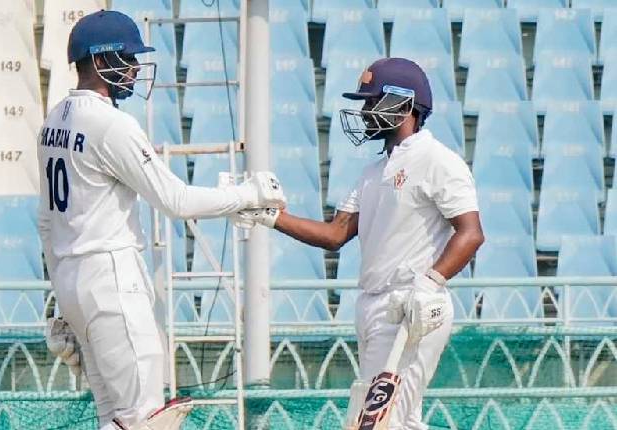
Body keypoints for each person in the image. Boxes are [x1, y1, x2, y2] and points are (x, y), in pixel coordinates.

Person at [37, 10, 286, 430]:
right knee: (144, 419)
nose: (135, 68)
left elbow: (46, 222)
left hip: (72, 278)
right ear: (100, 59)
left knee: (114, 417)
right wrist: (250, 193)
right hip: (111, 280)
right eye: (128, 58)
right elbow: (176, 200)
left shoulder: (53, 120)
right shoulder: (111, 124)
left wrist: (64, 295)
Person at [236, 58, 484, 429]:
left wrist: (430, 283)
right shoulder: (373, 172)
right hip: (373, 305)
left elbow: (471, 233)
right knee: (395, 420)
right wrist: (270, 216)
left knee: (380, 421)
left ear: (403, 105)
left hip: (411, 306)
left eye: (371, 102)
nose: (365, 111)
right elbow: (335, 234)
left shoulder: (438, 161)